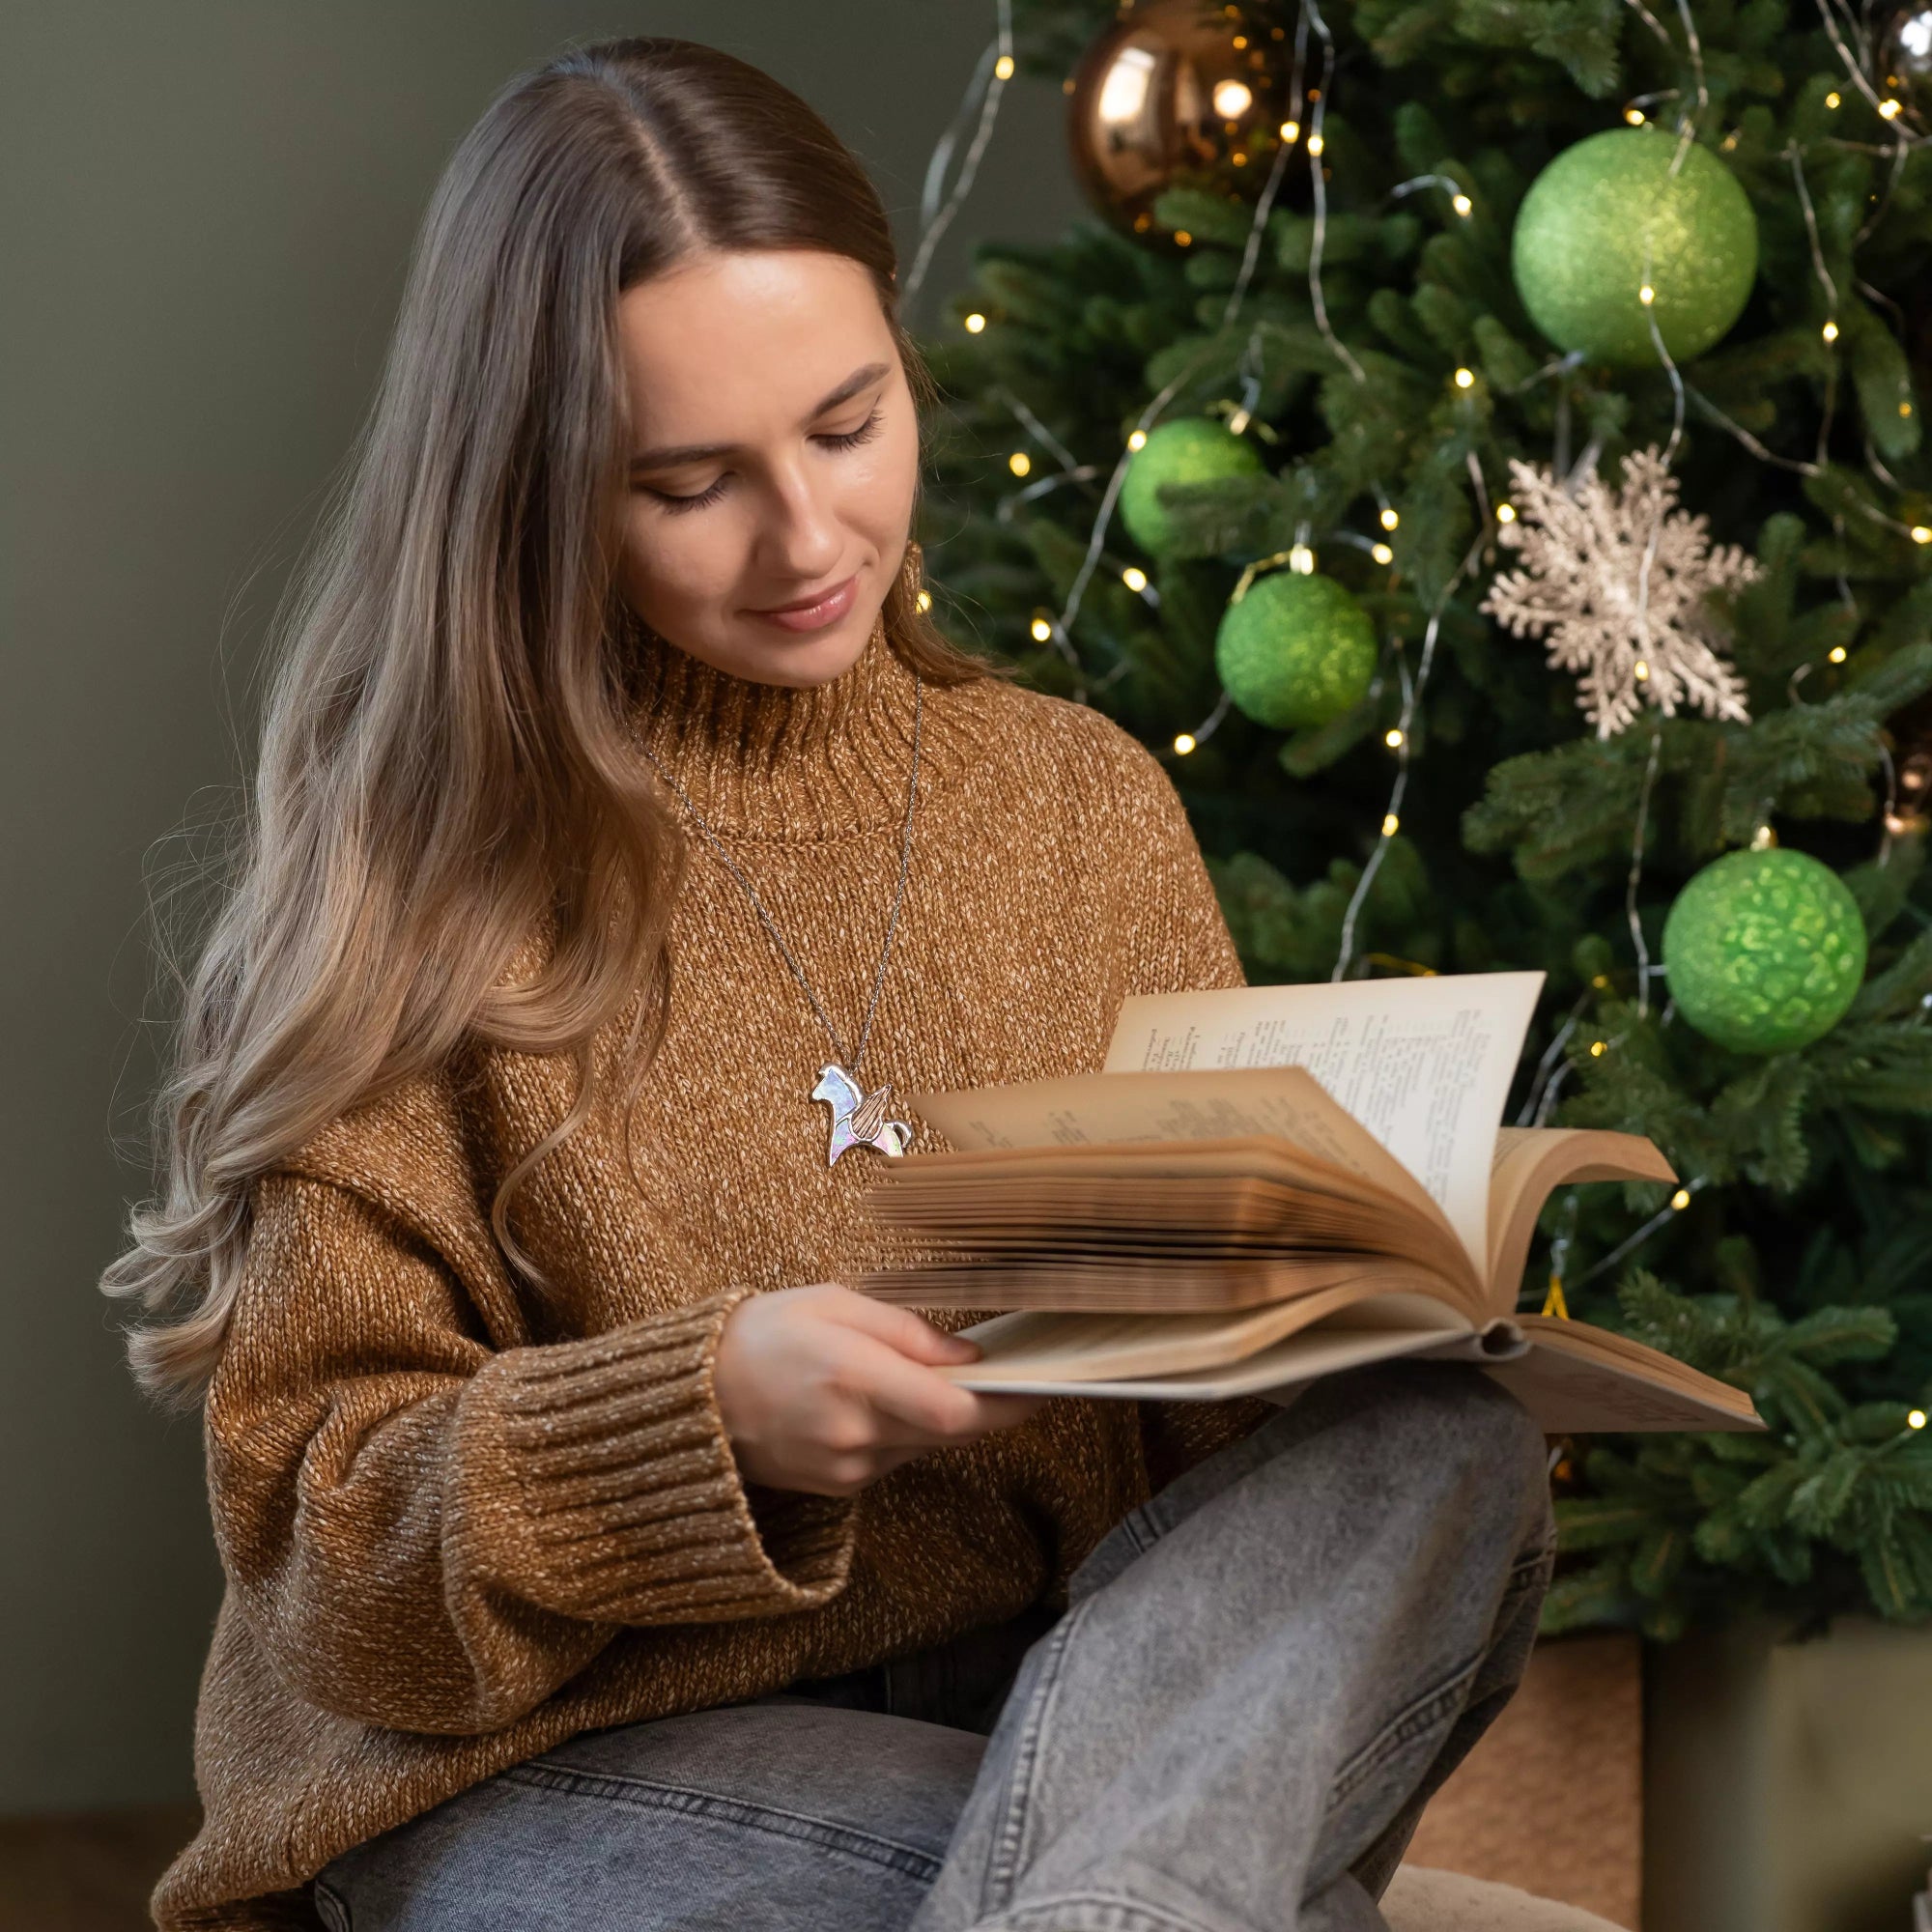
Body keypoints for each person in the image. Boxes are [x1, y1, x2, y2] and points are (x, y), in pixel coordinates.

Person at [104, 37, 1556, 1932]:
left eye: (849, 424)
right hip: (539, 1777)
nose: (806, 540)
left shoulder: (1073, 803)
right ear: (529, 487)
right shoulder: (411, 879)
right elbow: (329, 1569)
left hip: (1036, 1714)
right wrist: (701, 1416)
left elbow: (1204, 1497)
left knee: (1439, 1447)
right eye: (689, 482)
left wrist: (1341, 1309)